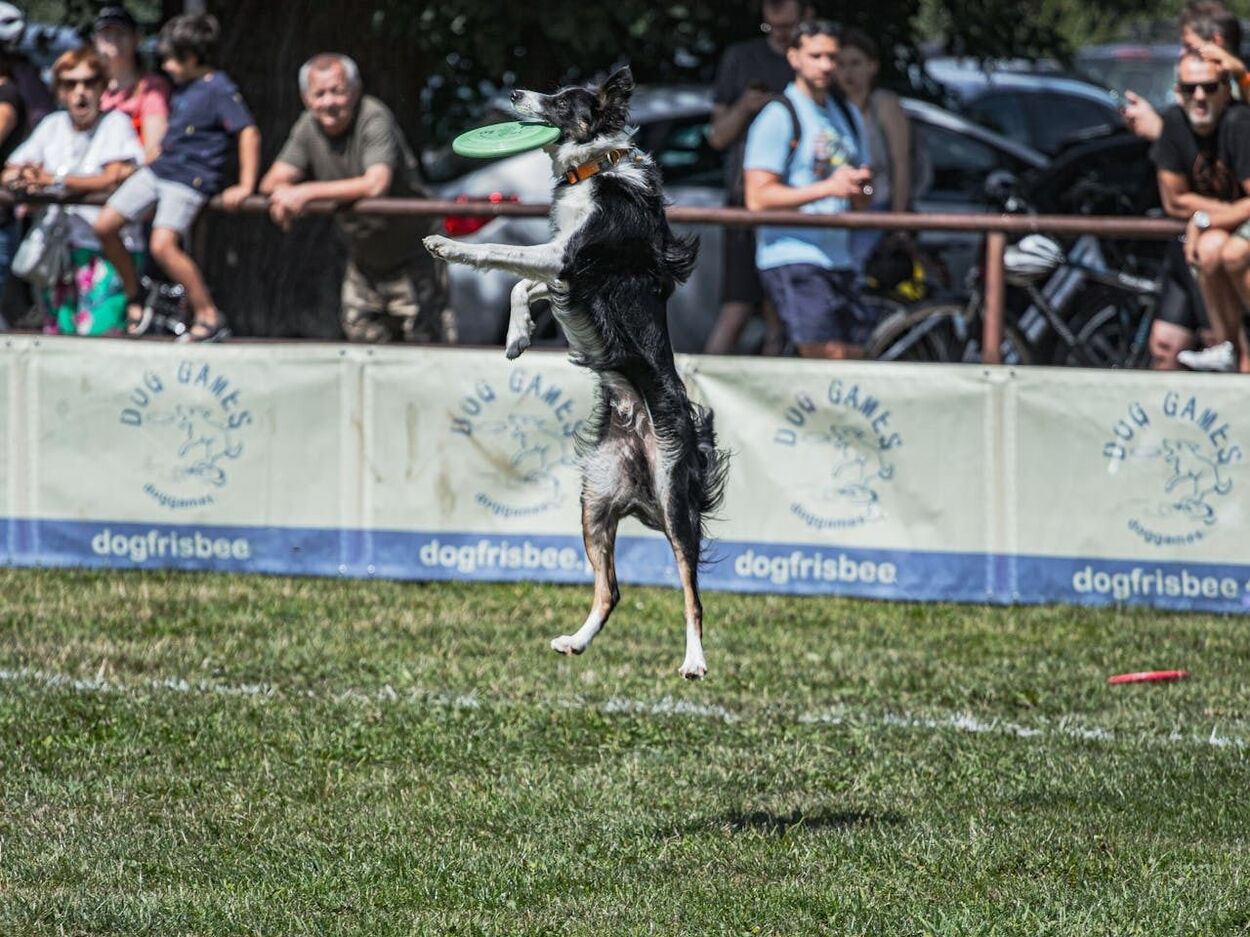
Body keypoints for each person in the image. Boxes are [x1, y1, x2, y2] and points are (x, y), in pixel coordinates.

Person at [259, 52, 452, 343]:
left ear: (355, 90)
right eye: (319, 93)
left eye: (337, 91)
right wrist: (283, 197)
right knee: (361, 345)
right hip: (364, 260)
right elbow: (272, 181)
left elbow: (376, 184)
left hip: (414, 255)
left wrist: (304, 193)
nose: (329, 102)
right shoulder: (307, 126)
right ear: (305, 97)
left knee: (425, 344)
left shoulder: (373, 116)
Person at [94, 12, 259, 342]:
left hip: (190, 179)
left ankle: (208, 313)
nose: (165, 66)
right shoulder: (185, 88)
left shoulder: (220, 89)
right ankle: (136, 292)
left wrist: (246, 185)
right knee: (104, 225)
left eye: (171, 59)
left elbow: (248, 132)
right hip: (160, 169)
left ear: (193, 57)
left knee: (163, 245)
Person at [742, 19, 874, 359]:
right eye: (816, 56)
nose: (827, 66)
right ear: (794, 57)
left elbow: (860, 193)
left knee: (855, 361)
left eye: (833, 57)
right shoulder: (779, 114)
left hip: (842, 257)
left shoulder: (846, 113)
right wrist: (829, 188)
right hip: (793, 255)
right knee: (826, 360)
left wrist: (860, 191)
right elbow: (757, 198)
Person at [1, 47, 144, 335]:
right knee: (57, 336)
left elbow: (113, 176)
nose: (81, 92)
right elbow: (11, 169)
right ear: (60, 91)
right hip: (59, 254)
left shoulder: (116, 125)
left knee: (99, 336)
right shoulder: (52, 126)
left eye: (89, 82)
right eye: (71, 84)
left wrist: (53, 180)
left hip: (107, 253)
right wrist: (25, 176)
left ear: (102, 87)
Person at [703, 0, 806, 355]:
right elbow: (717, 137)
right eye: (771, 28)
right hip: (747, 200)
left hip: (796, 201)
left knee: (781, 313)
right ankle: (698, 396)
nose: (780, 36)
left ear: (807, 18)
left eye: (789, 27)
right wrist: (746, 106)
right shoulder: (742, 58)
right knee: (738, 306)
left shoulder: (816, 66)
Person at [1153, 52, 1250, 372]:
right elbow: (1174, 201)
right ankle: (1230, 348)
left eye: (1208, 87)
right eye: (1188, 88)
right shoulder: (1173, 122)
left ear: (1226, 90)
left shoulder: (1238, 122)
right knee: (1209, 251)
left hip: (1233, 233)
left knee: (1231, 253)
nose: (1198, 96)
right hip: (1223, 229)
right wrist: (1222, 214)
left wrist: (1204, 219)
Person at [835, 27, 912, 274]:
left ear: (872, 66)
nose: (848, 72)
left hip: (877, 210)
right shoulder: (829, 106)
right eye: (841, 64)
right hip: (837, 213)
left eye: (855, 63)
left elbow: (901, 163)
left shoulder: (884, 105)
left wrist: (898, 221)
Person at [93, 4, 170, 163]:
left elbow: (154, 149)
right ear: (95, 41)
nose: (113, 39)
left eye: (120, 33)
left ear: (136, 39)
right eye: (106, 33)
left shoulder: (152, 87)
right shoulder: (89, 86)